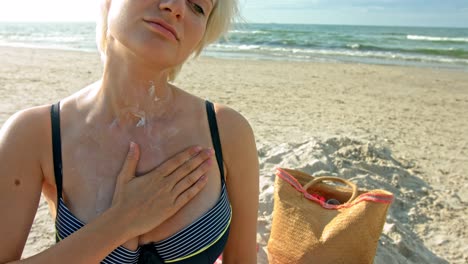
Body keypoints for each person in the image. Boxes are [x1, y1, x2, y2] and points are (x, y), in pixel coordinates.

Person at [0, 0, 259, 263]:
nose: (176, 7)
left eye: (197, 6)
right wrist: (121, 222)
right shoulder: (35, 135)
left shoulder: (227, 132)